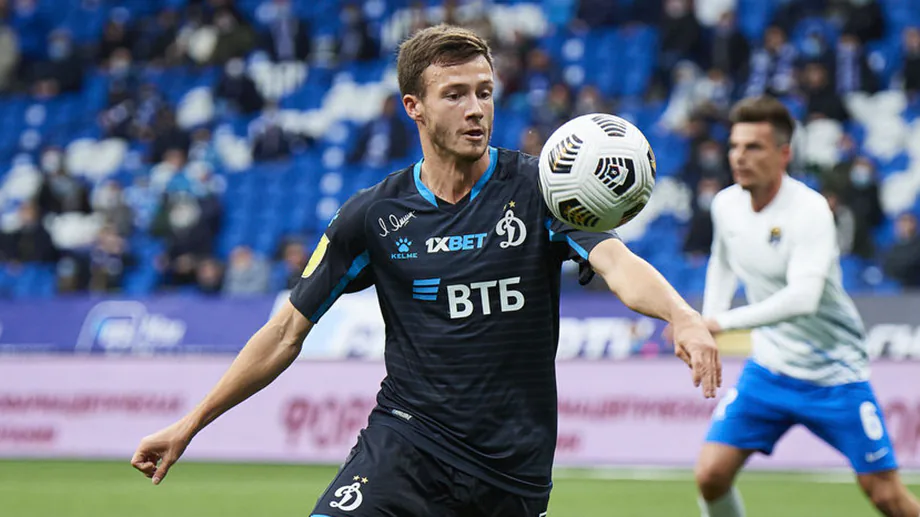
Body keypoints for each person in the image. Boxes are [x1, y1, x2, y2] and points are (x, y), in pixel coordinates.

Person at [131, 24, 721, 517]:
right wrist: (191, 423)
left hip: (510, 473)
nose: (476, 109)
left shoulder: (538, 189)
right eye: (455, 94)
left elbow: (617, 263)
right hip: (405, 444)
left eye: (484, 92)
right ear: (413, 106)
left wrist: (682, 315)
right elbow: (285, 331)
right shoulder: (372, 216)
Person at [694, 96, 920, 517]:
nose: (739, 156)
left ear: (784, 154)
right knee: (710, 475)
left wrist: (720, 322)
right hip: (769, 370)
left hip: (834, 374)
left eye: (753, 147)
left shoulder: (810, 210)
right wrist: (708, 320)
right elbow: (721, 261)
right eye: (734, 146)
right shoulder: (726, 204)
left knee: (885, 494)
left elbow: (803, 298)